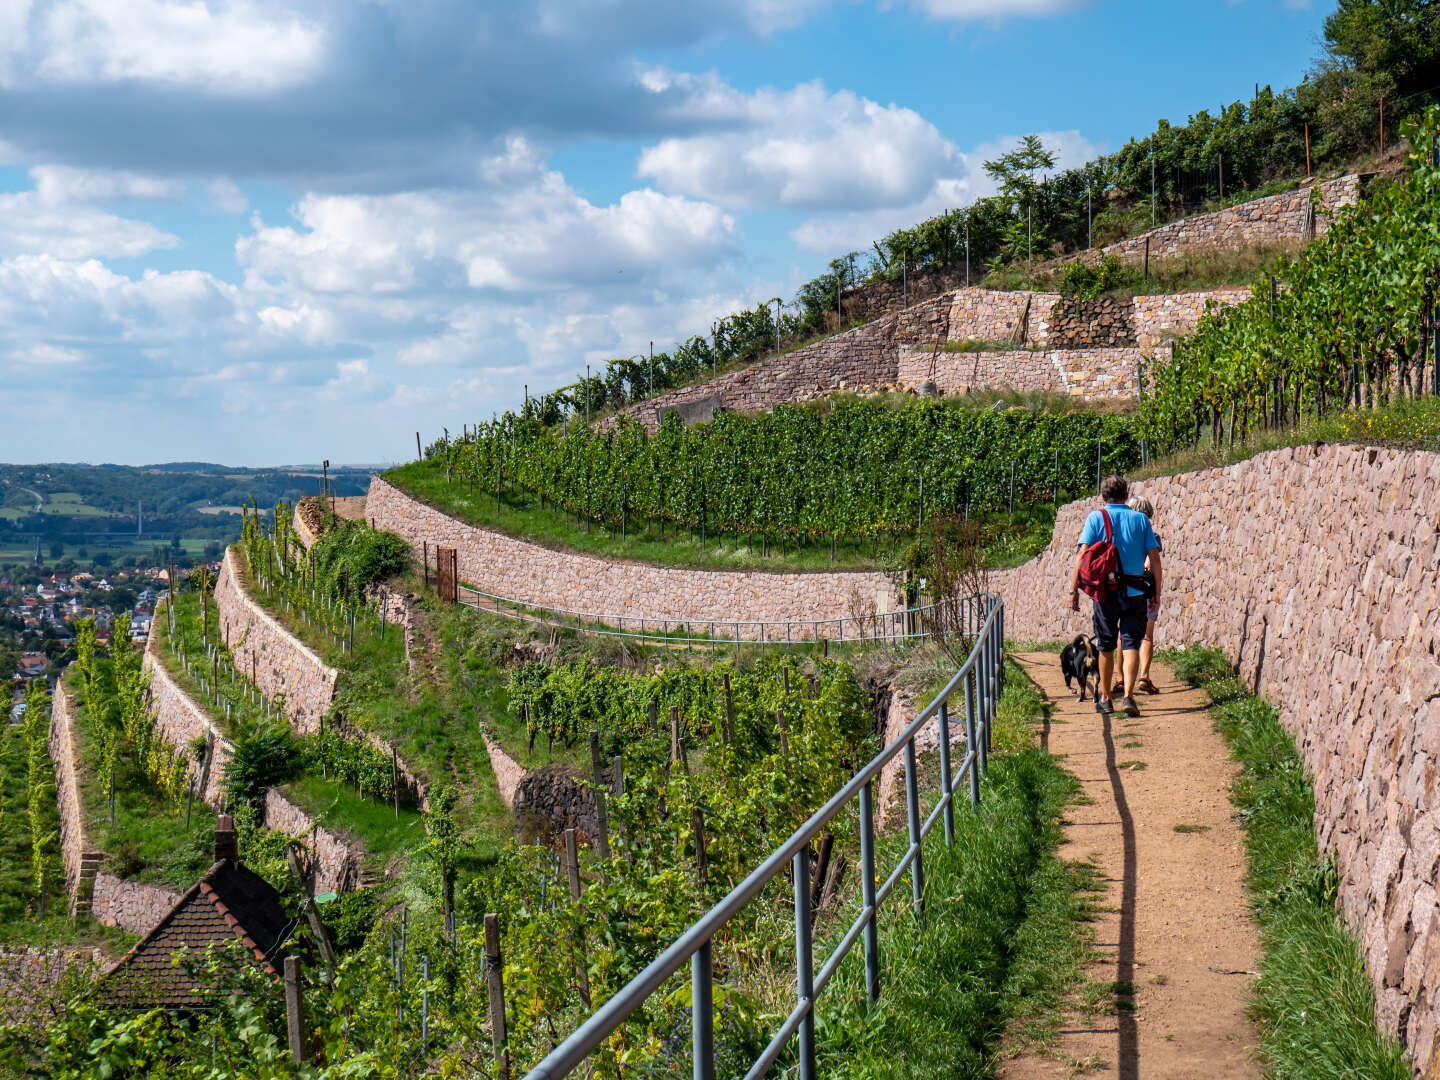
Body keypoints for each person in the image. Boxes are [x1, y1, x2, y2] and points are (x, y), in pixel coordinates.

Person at [1068, 475, 1162, 716]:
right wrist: (1156, 592)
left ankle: (1106, 698)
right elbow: (1154, 558)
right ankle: (1129, 696)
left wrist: (1074, 590)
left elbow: (1082, 556)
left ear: (1103, 497)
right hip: (1136, 593)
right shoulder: (1141, 520)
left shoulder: (1096, 518)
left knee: (1107, 645)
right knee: (1131, 643)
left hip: (1105, 594)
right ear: (1127, 494)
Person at [1128, 495, 1161, 694]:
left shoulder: (1125, 536)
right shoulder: (1152, 537)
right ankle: (1144, 676)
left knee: (1124, 636)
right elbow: (1152, 563)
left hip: (1128, 589)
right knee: (1147, 636)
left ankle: (1122, 679)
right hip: (1146, 589)